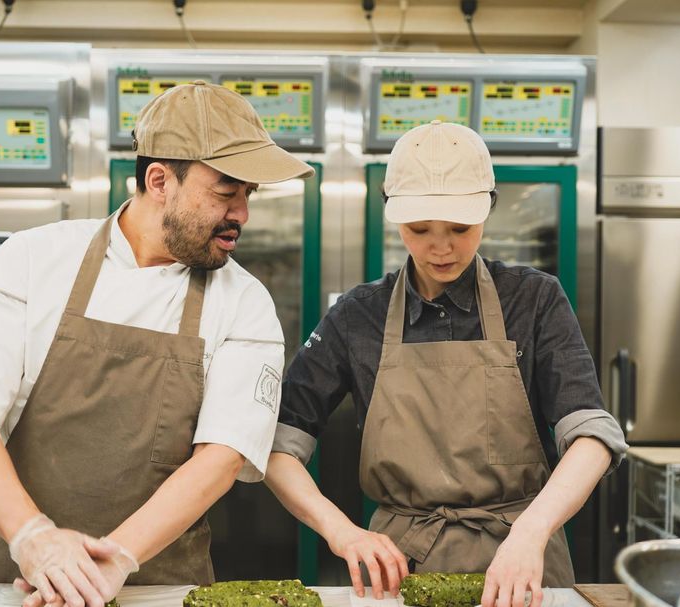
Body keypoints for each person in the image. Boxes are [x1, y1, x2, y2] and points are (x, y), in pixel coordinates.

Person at [0, 81, 315, 607]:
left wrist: (114, 559)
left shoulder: (245, 303)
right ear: (159, 180)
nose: (241, 213)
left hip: (163, 587)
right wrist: (34, 538)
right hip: (23, 583)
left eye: (249, 194)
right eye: (226, 190)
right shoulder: (32, 261)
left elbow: (221, 457)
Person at [265, 120, 628, 607]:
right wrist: (341, 532)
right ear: (394, 218)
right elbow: (277, 447)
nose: (441, 247)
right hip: (400, 568)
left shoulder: (534, 299)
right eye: (419, 230)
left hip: (522, 563)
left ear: (488, 210)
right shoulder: (358, 315)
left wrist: (531, 531)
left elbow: (591, 436)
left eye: (460, 228)